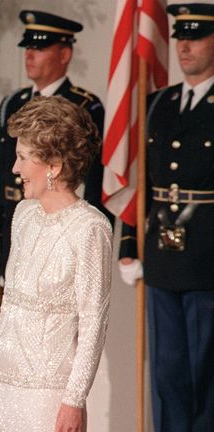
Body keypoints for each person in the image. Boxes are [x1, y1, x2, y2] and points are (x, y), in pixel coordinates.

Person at [0, 96, 112, 432]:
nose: (14, 169)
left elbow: (93, 325)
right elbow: (10, 305)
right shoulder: (24, 214)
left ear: (54, 166)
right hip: (2, 388)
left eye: (22, 158)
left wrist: (73, 401)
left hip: (49, 399)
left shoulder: (91, 228)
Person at [119, 4, 214, 431]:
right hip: (162, 257)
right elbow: (140, 181)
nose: (184, 46)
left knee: (206, 374)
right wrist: (127, 243)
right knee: (167, 371)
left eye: (195, 36)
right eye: (179, 37)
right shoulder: (158, 102)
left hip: (209, 260)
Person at [0, 10, 110, 295]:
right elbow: (5, 189)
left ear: (65, 54)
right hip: (17, 227)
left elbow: (95, 187)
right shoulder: (12, 103)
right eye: (28, 48)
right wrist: (0, 257)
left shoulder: (84, 107)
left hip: (63, 232)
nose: (30, 55)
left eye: (40, 48)